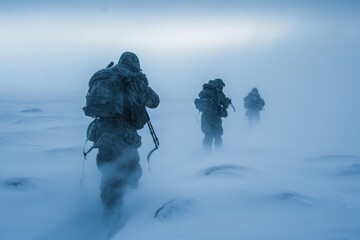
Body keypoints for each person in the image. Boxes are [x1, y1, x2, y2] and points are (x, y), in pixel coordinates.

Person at [84, 52, 160, 220]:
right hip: (124, 137)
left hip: (102, 135)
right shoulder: (130, 78)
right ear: (134, 64)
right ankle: (131, 218)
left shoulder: (105, 75)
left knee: (109, 178)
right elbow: (154, 101)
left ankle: (109, 219)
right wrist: (142, 83)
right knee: (132, 174)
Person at [194, 78, 231, 152]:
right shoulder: (218, 92)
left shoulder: (205, 91)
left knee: (208, 135)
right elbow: (225, 104)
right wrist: (227, 102)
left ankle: (207, 153)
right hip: (215, 117)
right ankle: (218, 153)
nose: (222, 88)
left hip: (205, 117)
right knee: (217, 136)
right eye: (221, 86)